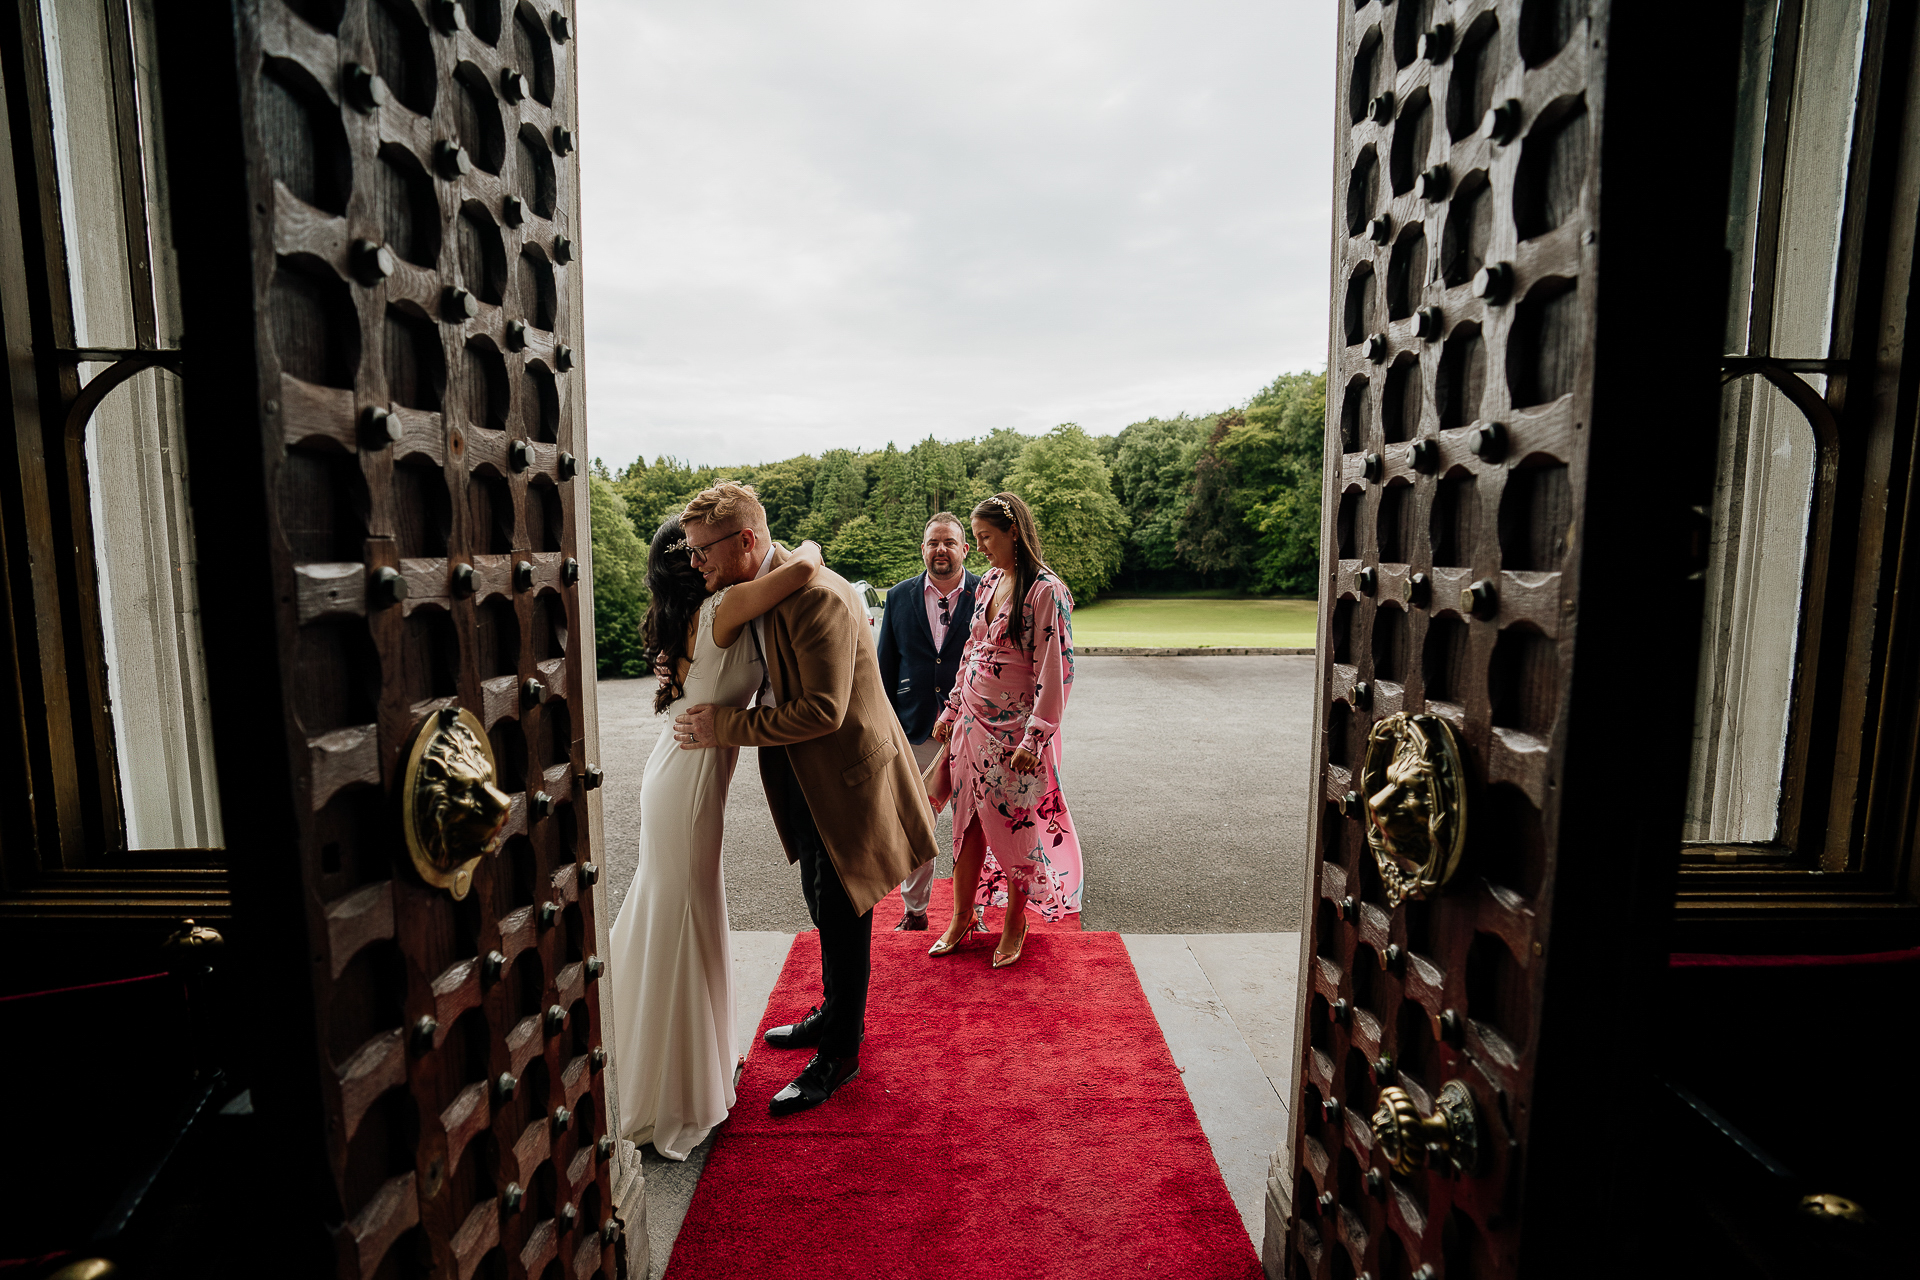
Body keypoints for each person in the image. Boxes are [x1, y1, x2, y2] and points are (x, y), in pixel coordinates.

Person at [670, 482, 938, 1116]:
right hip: (810, 779)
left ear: (746, 541)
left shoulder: (813, 597)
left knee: (845, 917)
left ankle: (840, 1054)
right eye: (690, 552)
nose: (695, 563)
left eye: (704, 550)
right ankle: (833, 1014)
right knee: (824, 903)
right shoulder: (778, 580)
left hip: (847, 778)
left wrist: (721, 727)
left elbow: (822, 710)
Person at [607, 517, 825, 1159]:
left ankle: (667, 1064)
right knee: (683, 917)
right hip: (688, 786)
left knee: (681, 913)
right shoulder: (723, 607)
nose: (708, 560)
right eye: (699, 551)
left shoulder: (693, 615)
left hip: (676, 775)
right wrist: (802, 546)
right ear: (691, 565)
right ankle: (670, 1089)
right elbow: (805, 566)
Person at [929, 491, 1083, 968]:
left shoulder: (1045, 591)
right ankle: (961, 916)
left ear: (1013, 532)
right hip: (971, 723)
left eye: (985, 537)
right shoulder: (991, 579)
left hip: (1015, 735)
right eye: (975, 538)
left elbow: (1056, 669)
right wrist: (952, 709)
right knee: (967, 822)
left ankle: (1015, 921)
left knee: (1016, 829)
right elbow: (971, 651)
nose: (981, 548)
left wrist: (1036, 738)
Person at [873, 513, 981, 931]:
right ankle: (915, 911)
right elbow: (884, 664)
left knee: (973, 822)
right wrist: (884, 723)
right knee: (916, 821)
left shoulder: (986, 592)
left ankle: (974, 910)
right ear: (923, 549)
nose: (941, 549)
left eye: (950, 542)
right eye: (933, 542)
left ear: (964, 549)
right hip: (915, 727)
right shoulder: (899, 596)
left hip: (973, 728)